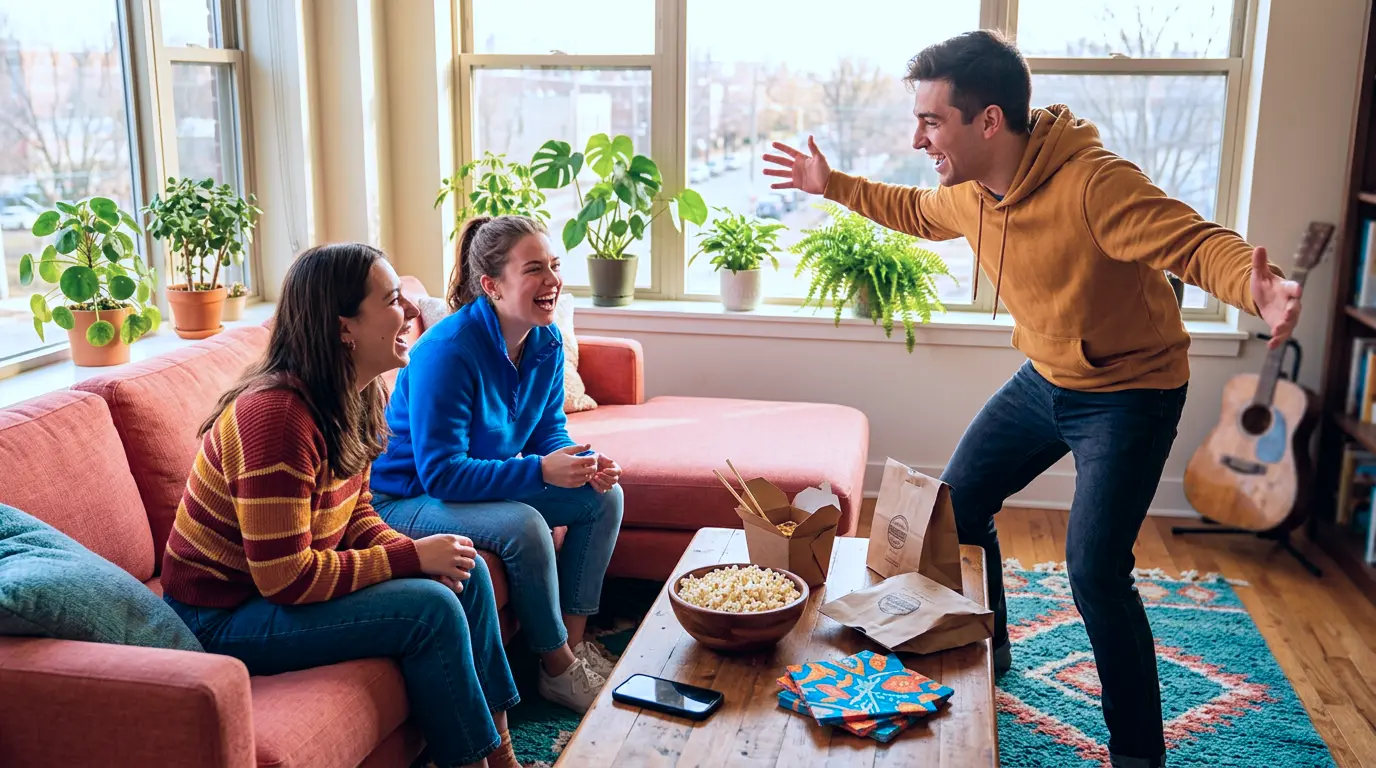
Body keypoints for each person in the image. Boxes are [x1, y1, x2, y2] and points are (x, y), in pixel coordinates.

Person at [763, 30, 1301, 768]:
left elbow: (1194, 243)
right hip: (1048, 377)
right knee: (959, 505)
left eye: (932, 121)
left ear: (988, 121)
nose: (918, 138)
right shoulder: (972, 191)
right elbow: (916, 212)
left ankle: (1138, 754)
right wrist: (833, 185)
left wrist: (1258, 287)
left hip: (1130, 390)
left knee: (1094, 570)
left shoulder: (1094, 183)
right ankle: (995, 646)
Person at [160, 243, 523, 768]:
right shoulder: (276, 419)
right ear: (343, 327)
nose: (413, 312)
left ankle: (505, 757)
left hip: (273, 591)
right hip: (220, 616)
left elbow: (355, 513)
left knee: (467, 572)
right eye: (394, 299)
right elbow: (284, 577)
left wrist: (419, 551)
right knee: (431, 608)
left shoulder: (360, 392)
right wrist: (412, 560)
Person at [369, 214, 625, 714]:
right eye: (534, 269)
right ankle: (555, 665)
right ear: (492, 285)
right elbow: (442, 473)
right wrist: (539, 472)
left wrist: (579, 461)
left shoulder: (545, 341)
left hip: (469, 483)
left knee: (604, 496)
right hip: (407, 498)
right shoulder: (447, 353)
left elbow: (547, 429)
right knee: (526, 525)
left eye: (553, 265)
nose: (552, 280)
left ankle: (565, 660)